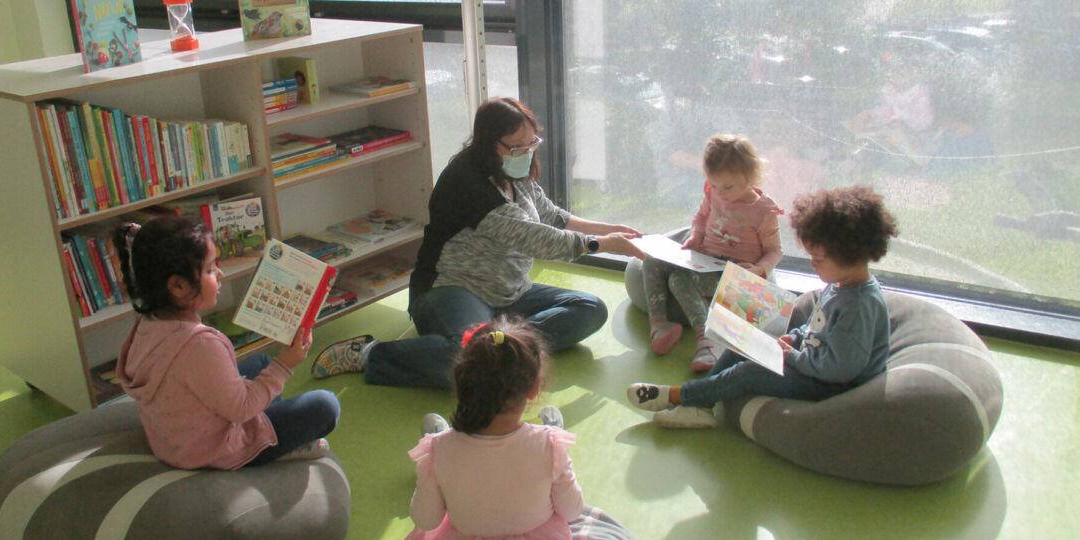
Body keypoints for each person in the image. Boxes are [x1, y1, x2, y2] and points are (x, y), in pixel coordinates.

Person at [310, 97, 645, 388]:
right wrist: (600, 244)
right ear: (489, 144)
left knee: (590, 310)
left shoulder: (513, 170)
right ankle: (372, 354)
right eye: (517, 147)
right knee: (466, 362)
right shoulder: (467, 183)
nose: (526, 153)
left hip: (508, 292)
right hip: (450, 289)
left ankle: (498, 346)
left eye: (532, 145)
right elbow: (536, 238)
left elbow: (550, 215)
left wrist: (611, 228)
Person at [628, 185, 899, 429]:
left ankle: (677, 396)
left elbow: (839, 370)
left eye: (818, 259)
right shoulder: (840, 285)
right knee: (741, 343)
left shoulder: (859, 307)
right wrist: (795, 336)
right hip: (811, 363)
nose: (813, 265)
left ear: (851, 256)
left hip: (830, 385)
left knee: (750, 372)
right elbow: (817, 327)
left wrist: (792, 357)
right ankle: (702, 405)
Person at [112, 215, 340, 469]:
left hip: (175, 440)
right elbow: (241, 410)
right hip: (213, 451)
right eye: (210, 269)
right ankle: (271, 449)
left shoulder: (147, 322)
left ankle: (271, 422)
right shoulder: (200, 345)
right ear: (177, 286)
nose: (220, 273)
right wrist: (284, 365)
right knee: (326, 405)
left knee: (260, 362)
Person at [406, 317, 582, 539]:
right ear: (534, 387)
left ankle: (443, 434)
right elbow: (573, 510)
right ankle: (550, 427)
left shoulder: (438, 451)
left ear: (461, 387)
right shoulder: (550, 447)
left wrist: (436, 466)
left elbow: (425, 520)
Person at [641, 134, 784, 372]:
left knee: (678, 279)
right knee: (650, 261)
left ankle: (708, 340)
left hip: (736, 275)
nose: (721, 192)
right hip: (706, 261)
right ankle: (659, 325)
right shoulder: (713, 192)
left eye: (728, 186)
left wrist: (759, 269)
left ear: (750, 177)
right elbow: (700, 218)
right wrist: (696, 236)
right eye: (714, 185)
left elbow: (775, 251)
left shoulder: (763, 210)